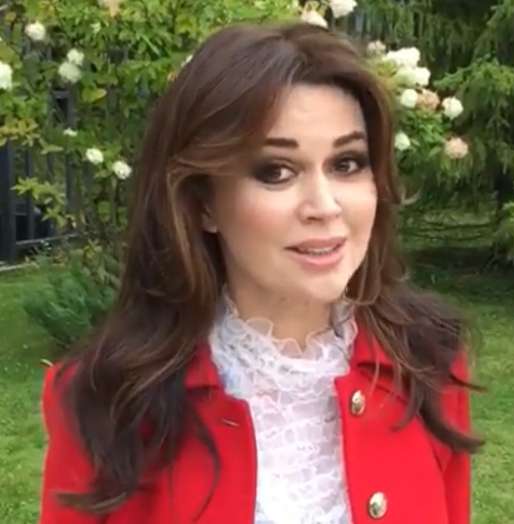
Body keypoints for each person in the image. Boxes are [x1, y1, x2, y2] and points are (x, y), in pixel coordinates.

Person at [39, 20, 483, 524]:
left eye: (347, 163)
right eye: (276, 171)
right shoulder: (104, 401)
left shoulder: (430, 362)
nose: (325, 206)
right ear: (203, 202)